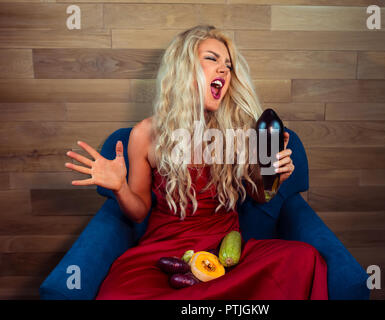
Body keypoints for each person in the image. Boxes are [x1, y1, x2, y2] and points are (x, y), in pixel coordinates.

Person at [65, 25, 328, 300]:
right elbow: (139, 212)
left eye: (228, 64)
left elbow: (257, 196)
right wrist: (120, 187)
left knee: (304, 259)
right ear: (184, 68)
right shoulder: (145, 134)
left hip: (226, 255)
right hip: (164, 252)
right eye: (213, 59)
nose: (224, 70)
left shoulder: (239, 130)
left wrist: (272, 179)